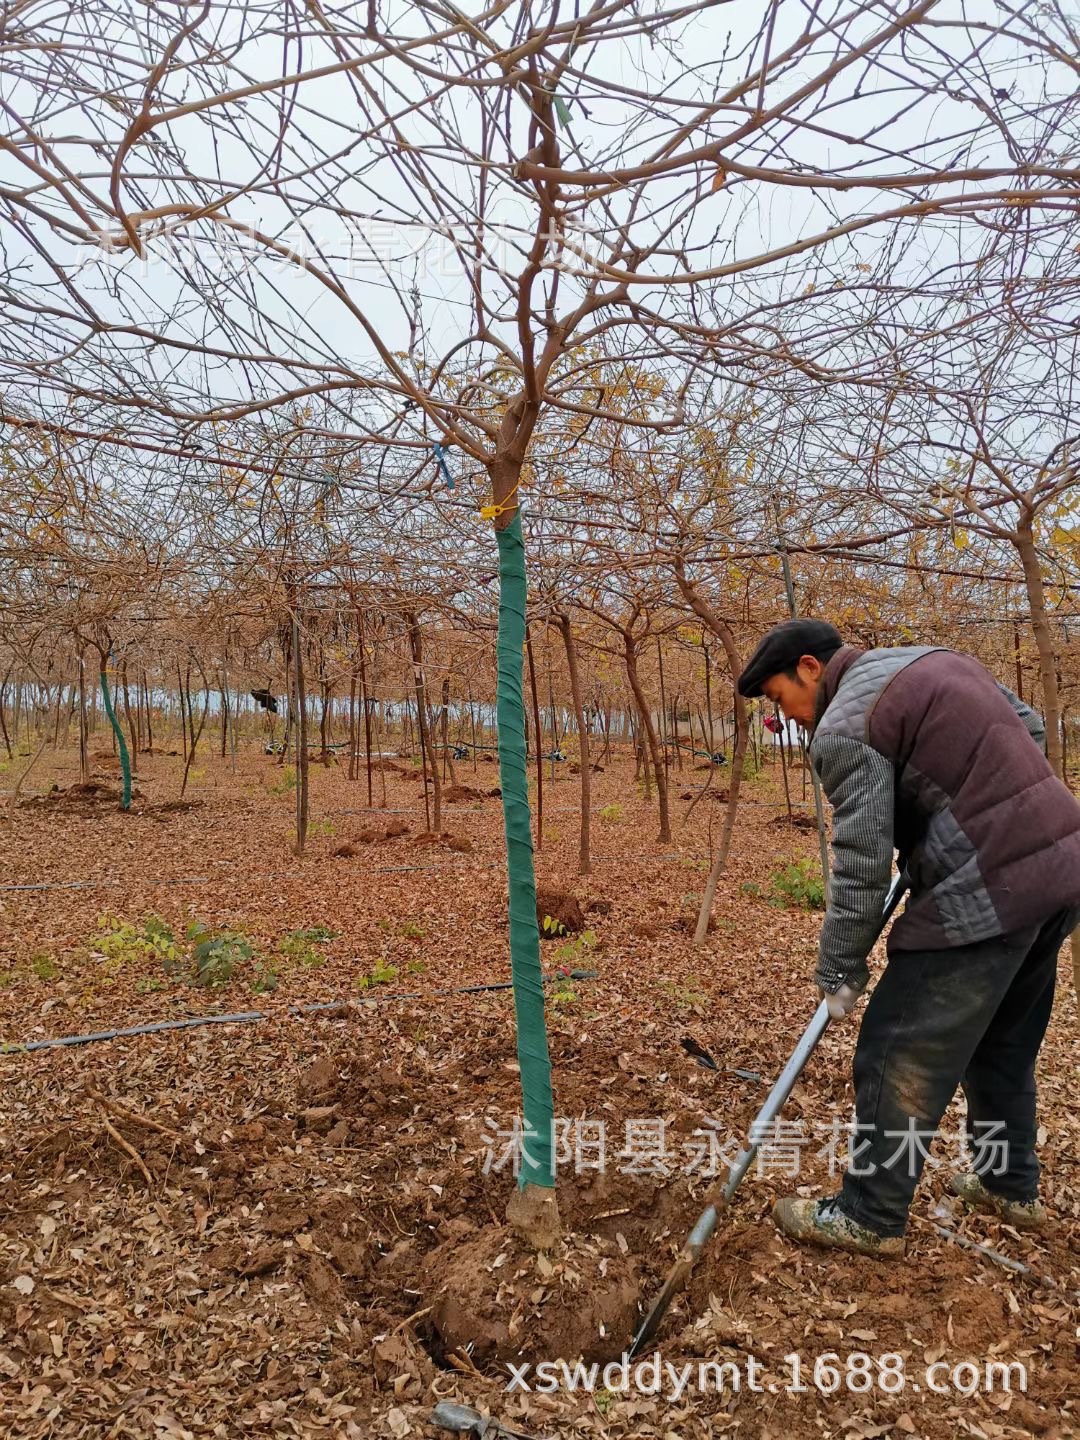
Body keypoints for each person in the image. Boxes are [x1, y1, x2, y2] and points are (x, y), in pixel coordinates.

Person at [736, 621, 1080, 1257]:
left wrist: (838, 968)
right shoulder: (931, 660)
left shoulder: (844, 727)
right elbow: (1028, 727)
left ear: (809, 668)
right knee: (1001, 1041)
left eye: (783, 701)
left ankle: (870, 1213)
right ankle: (1009, 1186)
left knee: (897, 1048)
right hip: (1061, 869)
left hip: (986, 889)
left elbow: (862, 862)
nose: (792, 720)